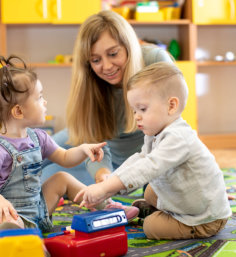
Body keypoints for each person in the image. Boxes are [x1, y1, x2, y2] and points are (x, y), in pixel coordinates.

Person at [0, 55, 139, 240]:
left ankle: (105, 204)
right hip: (8, 213)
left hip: (39, 209)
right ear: (18, 111)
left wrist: (82, 150)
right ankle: (21, 239)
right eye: (39, 97)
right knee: (2, 223)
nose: (45, 102)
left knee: (62, 178)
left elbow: (65, 157)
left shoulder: (38, 137)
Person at [75, 62, 232, 240]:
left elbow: (149, 167)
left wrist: (105, 188)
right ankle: (164, 210)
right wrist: (108, 185)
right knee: (150, 191)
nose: (137, 117)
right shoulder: (155, 133)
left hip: (203, 217)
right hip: (186, 199)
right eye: (134, 111)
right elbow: (140, 158)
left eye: (142, 109)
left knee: (151, 227)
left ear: (171, 106)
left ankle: (166, 217)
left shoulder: (178, 137)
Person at [41, 10, 174, 185]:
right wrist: (102, 174)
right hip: (105, 150)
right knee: (37, 155)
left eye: (113, 54)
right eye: (96, 60)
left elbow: (172, 132)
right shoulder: (91, 82)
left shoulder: (155, 61)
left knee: (50, 177)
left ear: (128, 46)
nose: (107, 66)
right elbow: (91, 139)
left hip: (141, 158)